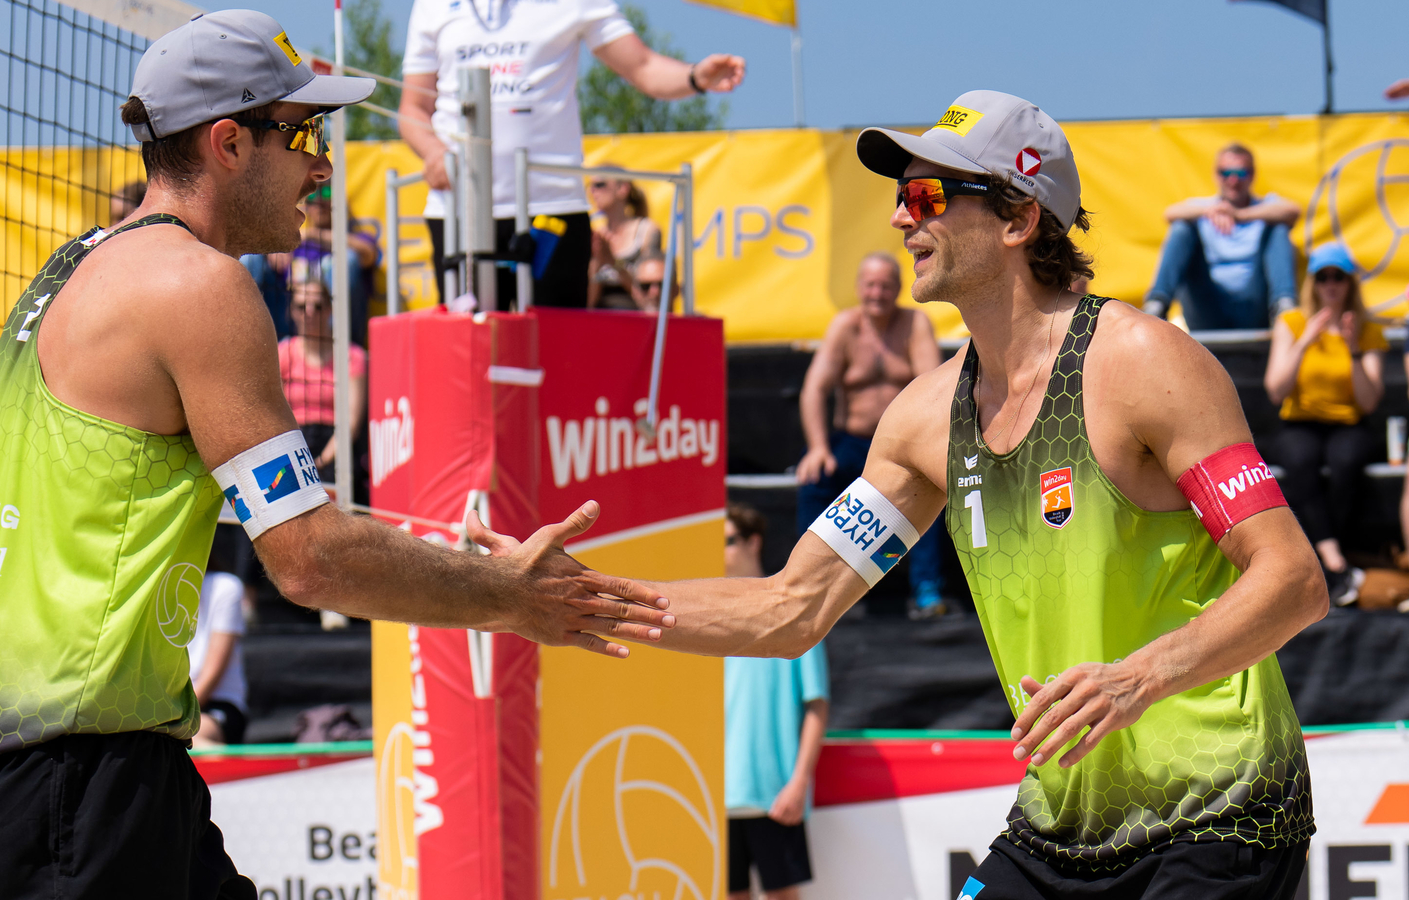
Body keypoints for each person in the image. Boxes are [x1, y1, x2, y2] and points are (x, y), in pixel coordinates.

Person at [473, 90, 1328, 898]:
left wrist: (1139, 677)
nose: (898, 218)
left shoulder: (1144, 361)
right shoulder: (922, 419)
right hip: (1064, 824)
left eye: (924, 195)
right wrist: (572, 598)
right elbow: (790, 609)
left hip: (1222, 811)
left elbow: (1292, 578)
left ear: (1019, 219)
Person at [0, 12, 669, 898]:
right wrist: (508, 596)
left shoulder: (55, 284)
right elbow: (306, 558)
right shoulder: (200, 286)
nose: (323, 163)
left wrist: (12, 709)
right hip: (86, 782)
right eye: (302, 132)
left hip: (46, 772)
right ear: (228, 143)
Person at [397, 0, 744, 308]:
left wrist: (696, 77)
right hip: (460, 214)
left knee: (555, 354)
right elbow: (413, 106)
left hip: (553, 209)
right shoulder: (433, 5)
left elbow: (642, 66)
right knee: (471, 354)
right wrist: (434, 152)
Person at [795, 253, 947, 618]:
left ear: (898, 288)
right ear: (859, 288)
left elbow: (934, 389)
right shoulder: (845, 327)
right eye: (871, 285)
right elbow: (814, 390)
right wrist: (817, 448)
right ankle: (812, 587)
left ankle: (926, 589)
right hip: (852, 441)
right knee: (814, 480)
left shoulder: (914, 325)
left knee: (933, 489)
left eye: (885, 286)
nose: (877, 293)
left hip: (902, 445)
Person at [1264, 241, 1383, 599]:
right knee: (1300, 459)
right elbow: (1275, 390)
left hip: (1348, 422)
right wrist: (1304, 343)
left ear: (1350, 283)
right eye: (1323, 277)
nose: (1331, 285)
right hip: (1301, 421)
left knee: (1345, 461)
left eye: (1339, 277)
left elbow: (1369, 402)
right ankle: (1335, 561)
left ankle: (1327, 564)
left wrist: (1353, 349)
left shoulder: (1365, 329)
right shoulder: (1294, 322)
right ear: (1312, 283)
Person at [722, 503, 827, 900]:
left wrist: (799, 782)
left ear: (754, 542)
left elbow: (817, 704)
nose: (718, 550)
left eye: (727, 540)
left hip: (773, 793)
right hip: (714, 794)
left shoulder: (792, 613)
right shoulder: (703, 621)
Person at [1141, 142, 1300, 331]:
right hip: (1207, 305)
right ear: (1216, 175)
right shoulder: (1204, 207)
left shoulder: (1265, 206)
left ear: (1252, 175)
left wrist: (1240, 215)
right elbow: (1169, 213)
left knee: (1279, 229)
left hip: (1256, 305)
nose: (1233, 180)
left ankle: (1284, 308)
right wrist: (1210, 211)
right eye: (1226, 173)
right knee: (1181, 229)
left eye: (1241, 173)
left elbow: (1293, 211)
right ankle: (1157, 304)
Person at [280, 278, 366, 489]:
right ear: (291, 311)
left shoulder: (351, 356)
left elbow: (350, 424)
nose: (309, 312)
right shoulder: (282, 354)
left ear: (329, 310)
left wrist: (319, 463)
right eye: (301, 306)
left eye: (317, 306)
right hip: (291, 444)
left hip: (336, 450)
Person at [289, 185, 378, 347]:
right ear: (306, 206)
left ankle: (333, 345)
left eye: (327, 192)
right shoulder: (297, 245)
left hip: (345, 337)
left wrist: (316, 235)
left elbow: (369, 254)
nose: (319, 201)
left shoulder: (356, 238)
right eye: (311, 197)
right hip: (299, 329)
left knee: (347, 259)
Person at [189, 544, 250, 746]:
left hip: (215, 706)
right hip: (169, 712)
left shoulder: (226, 587)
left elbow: (212, 672)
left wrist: (172, 719)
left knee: (186, 741)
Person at [587, 170, 662, 310]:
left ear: (623, 188)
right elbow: (589, 303)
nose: (593, 191)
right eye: (590, 186)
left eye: (600, 184)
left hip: (635, 317)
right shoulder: (597, 235)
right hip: (600, 318)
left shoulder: (646, 231)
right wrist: (597, 262)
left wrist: (614, 262)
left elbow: (648, 294)